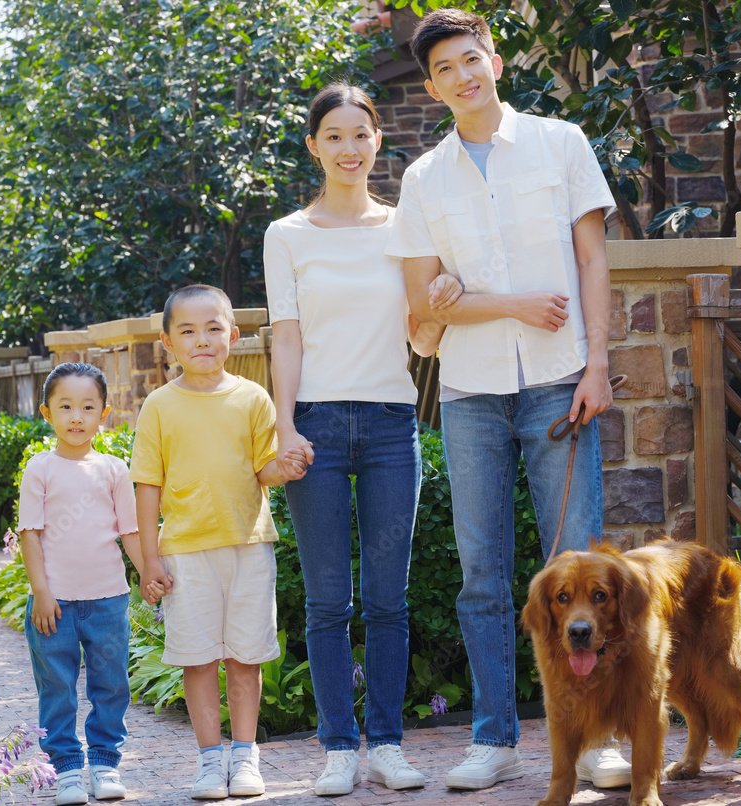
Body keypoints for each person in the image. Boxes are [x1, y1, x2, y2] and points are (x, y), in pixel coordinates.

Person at [386, 8, 630, 792]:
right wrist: (509, 302)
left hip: (560, 382)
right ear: (431, 87)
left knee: (583, 566)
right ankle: (493, 738)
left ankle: (596, 738)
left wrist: (598, 364)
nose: (463, 75)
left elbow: (593, 260)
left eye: (471, 58)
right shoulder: (423, 179)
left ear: (494, 60)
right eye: (446, 69)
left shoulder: (562, 145)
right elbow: (424, 309)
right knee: (483, 573)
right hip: (469, 394)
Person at [263, 82, 462, 797]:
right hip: (314, 423)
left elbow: (420, 335)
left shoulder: (407, 227)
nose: (350, 149)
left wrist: (438, 312)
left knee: (386, 598)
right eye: (334, 136)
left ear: (379, 140)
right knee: (325, 601)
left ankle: (386, 744)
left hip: (387, 423)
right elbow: (286, 336)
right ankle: (337, 749)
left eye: (361, 134)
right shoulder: (286, 235)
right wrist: (284, 424)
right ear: (313, 146)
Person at [130, 284, 307, 800]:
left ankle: (246, 757)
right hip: (185, 552)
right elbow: (147, 486)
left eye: (213, 329)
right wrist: (149, 558)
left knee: (246, 657)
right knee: (198, 659)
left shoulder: (253, 397)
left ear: (232, 335)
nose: (201, 339)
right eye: (187, 330)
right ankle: (211, 762)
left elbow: (264, 469)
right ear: (168, 342)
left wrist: (287, 465)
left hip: (249, 546)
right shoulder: (159, 406)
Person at [19, 362, 161, 804]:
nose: (76, 417)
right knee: (57, 686)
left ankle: (104, 763)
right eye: (65, 407)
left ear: (105, 413)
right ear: (47, 413)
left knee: (111, 683)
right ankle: (65, 770)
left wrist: (147, 572)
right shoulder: (39, 468)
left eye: (87, 407)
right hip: (53, 604)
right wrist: (42, 592)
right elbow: (31, 535)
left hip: (108, 601)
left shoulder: (114, 469)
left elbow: (130, 530)